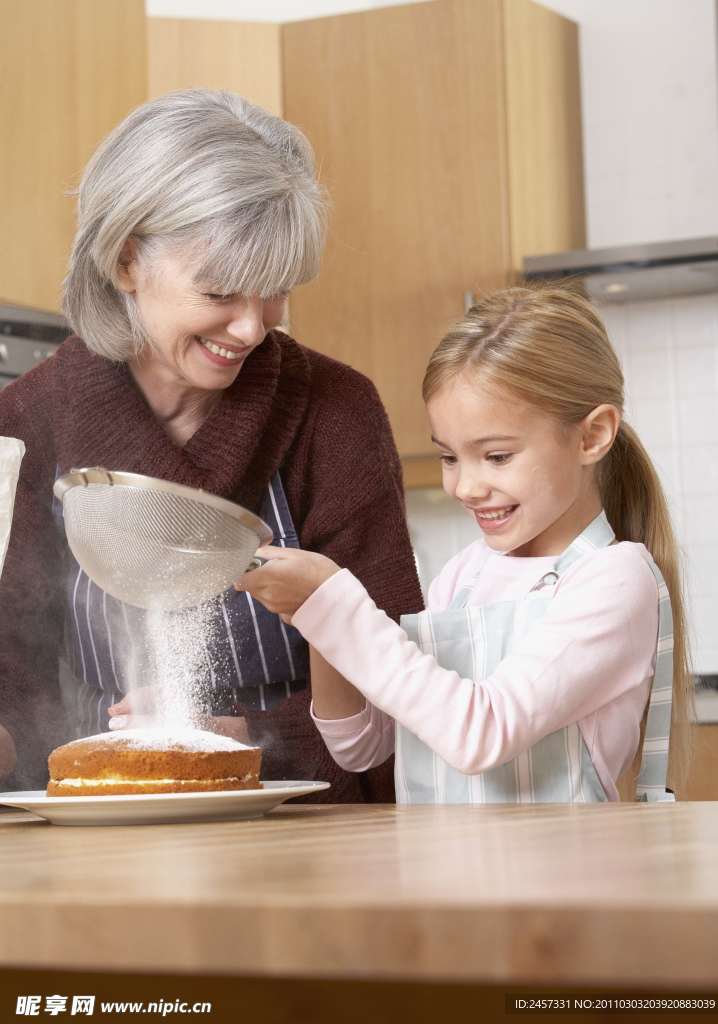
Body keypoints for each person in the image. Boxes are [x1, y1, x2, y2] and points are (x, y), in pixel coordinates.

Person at [0, 89, 422, 796]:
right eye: (222, 290)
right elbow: (15, 671)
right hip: (109, 812)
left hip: (315, 828)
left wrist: (251, 741)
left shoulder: (336, 411)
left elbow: (398, 678)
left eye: (276, 291)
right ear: (128, 261)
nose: (254, 329)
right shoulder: (27, 421)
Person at [239, 287, 693, 803]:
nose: (466, 487)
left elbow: (482, 733)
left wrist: (334, 607)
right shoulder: (464, 575)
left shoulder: (613, 579)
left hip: (562, 877)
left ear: (592, 436)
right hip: (445, 876)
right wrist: (311, 617)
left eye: (497, 456)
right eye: (450, 457)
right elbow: (361, 746)